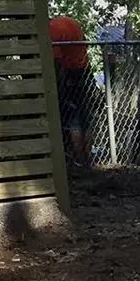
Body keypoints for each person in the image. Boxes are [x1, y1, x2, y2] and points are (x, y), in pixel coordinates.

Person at [48, 14, 93, 168]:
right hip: (86, 71)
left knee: (73, 119)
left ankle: (78, 158)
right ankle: (87, 157)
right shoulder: (70, 21)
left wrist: (58, 87)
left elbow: (56, 63)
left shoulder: (51, 30)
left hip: (70, 74)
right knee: (85, 117)